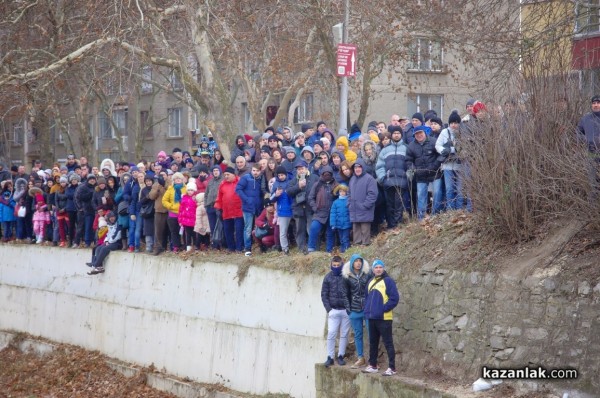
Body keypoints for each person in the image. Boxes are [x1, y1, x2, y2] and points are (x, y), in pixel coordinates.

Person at [362, 259, 400, 376]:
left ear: (383, 268)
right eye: (376, 267)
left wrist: (383, 308)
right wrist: (367, 310)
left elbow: (394, 298)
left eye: (380, 267)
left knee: (388, 342)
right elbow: (366, 298)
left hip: (384, 317)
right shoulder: (370, 282)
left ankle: (392, 368)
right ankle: (373, 365)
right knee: (373, 342)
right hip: (372, 317)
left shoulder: (388, 281)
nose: (378, 269)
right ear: (373, 270)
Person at [405, 126, 443, 220]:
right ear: (414, 135)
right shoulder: (411, 146)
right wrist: (413, 169)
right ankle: (421, 218)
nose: (419, 135)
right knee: (421, 195)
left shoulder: (434, 141)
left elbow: (441, 155)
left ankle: (435, 215)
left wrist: (435, 166)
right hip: (420, 175)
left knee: (437, 193)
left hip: (434, 173)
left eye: (420, 133)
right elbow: (408, 161)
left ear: (424, 132)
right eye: (416, 134)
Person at [375, 126, 410, 229]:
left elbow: (410, 164)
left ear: (401, 135)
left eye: (398, 133)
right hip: (388, 182)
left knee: (399, 205)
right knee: (390, 206)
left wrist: (408, 177)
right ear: (391, 135)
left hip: (402, 182)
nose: (396, 135)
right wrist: (382, 178)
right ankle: (391, 227)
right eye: (394, 133)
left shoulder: (406, 148)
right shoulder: (385, 150)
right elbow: (379, 166)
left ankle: (398, 227)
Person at [321, 255, 350, 367]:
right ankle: (330, 357)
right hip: (333, 310)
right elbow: (324, 294)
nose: (336, 267)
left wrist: (349, 308)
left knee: (344, 334)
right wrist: (329, 309)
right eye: (334, 265)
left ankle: (341, 356)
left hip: (345, 311)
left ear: (342, 265)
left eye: (338, 265)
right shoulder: (328, 277)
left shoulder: (346, 277)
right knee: (332, 333)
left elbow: (350, 293)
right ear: (331, 265)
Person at [342, 254, 371, 368]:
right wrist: (349, 309)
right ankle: (361, 357)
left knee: (371, 333)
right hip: (354, 309)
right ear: (352, 263)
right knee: (358, 334)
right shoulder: (347, 276)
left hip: (367, 308)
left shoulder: (367, 274)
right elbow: (345, 294)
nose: (358, 263)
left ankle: (373, 359)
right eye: (356, 261)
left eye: (360, 261)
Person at [235, 164, 264, 256]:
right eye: (254, 170)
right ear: (251, 170)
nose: (255, 172)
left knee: (259, 227)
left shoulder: (261, 179)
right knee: (248, 228)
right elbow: (238, 189)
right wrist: (247, 199)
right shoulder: (246, 178)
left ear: (260, 171)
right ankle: (247, 248)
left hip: (258, 206)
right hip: (247, 207)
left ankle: (261, 246)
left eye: (257, 171)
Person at [348, 158, 378, 245]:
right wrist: (349, 204)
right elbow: (349, 193)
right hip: (354, 210)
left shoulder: (369, 179)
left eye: (359, 167)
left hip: (365, 210)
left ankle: (365, 248)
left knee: (365, 233)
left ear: (363, 168)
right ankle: (357, 248)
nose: (357, 169)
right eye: (355, 168)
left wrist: (365, 205)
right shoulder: (352, 179)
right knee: (356, 233)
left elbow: (373, 194)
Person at [214, 167, 244, 253]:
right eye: (225, 175)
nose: (226, 176)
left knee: (239, 230)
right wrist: (218, 207)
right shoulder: (222, 184)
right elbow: (219, 197)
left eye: (228, 174)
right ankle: (231, 248)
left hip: (239, 211)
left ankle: (239, 247)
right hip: (226, 211)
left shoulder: (240, 182)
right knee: (227, 230)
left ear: (233, 174)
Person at [270, 166, 293, 255]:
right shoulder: (275, 184)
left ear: (286, 175)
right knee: (282, 232)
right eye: (279, 175)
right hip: (282, 211)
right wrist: (276, 194)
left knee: (295, 230)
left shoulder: (290, 182)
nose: (281, 177)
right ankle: (285, 249)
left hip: (293, 209)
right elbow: (271, 199)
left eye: (282, 175)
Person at [329, 184, 351, 253]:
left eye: (344, 191)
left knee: (345, 238)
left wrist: (351, 222)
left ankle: (347, 249)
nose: (342, 193)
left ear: (346, 192)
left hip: (347, 224)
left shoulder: (348, 201)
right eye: (341, 191)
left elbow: (351, 212)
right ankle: (342, 249)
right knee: (341, 238)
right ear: (338, 192)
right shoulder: (335, 202)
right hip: (339, 224)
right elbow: (333, 213)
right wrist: (333, 224)